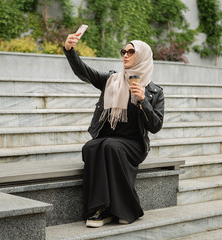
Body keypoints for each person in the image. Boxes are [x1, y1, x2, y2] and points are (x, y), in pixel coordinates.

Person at [63, 32, 165, 228]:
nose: (125, 55)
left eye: (131, 52)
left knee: (110, 147)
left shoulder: (154, 92)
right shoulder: (112, 80)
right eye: (123, 51)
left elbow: (155, 126)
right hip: (108, 140)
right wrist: (70, 51)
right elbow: (85, 72)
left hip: (134, 144)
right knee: (91, 147)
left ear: (142, 56)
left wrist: (144, 101)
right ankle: (104, 210)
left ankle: (114, 209)